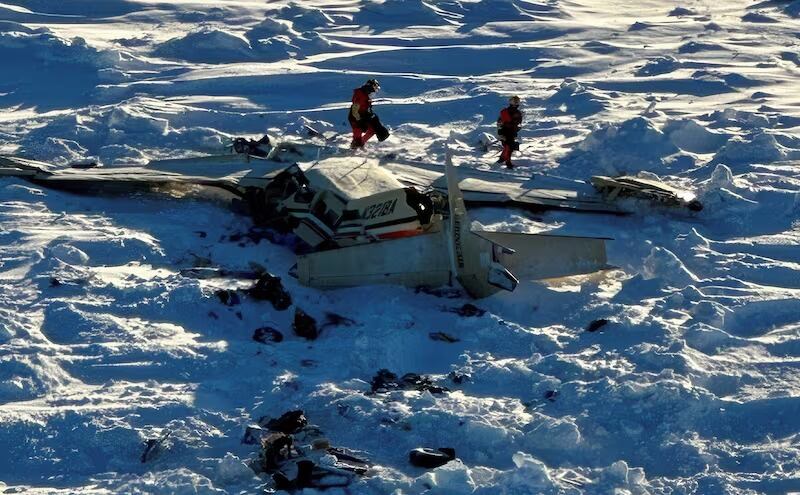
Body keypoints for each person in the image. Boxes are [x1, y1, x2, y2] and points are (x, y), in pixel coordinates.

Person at [348, 79, 389, 149]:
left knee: (373, 129)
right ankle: (354, 149)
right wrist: (359, 120)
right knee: (357, 135)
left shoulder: (366, 96)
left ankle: (361, 144)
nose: (375, 92)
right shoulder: (360, 96)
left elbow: (367, 108)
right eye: (375, 89)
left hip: (364, 116)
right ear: (370, 88)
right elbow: (354, 110)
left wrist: (373, 118)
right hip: (355, 119)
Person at [496, 95, 523, 168]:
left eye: (517, 101)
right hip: (506, 131)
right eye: (515, 101)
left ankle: (502, 159)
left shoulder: (517, 112)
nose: (516, 103)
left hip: (511, 131)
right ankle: (507, 162)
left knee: (507, 146)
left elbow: (519, 123)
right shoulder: (506, 111)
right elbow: (500, 122)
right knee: (509, 147)